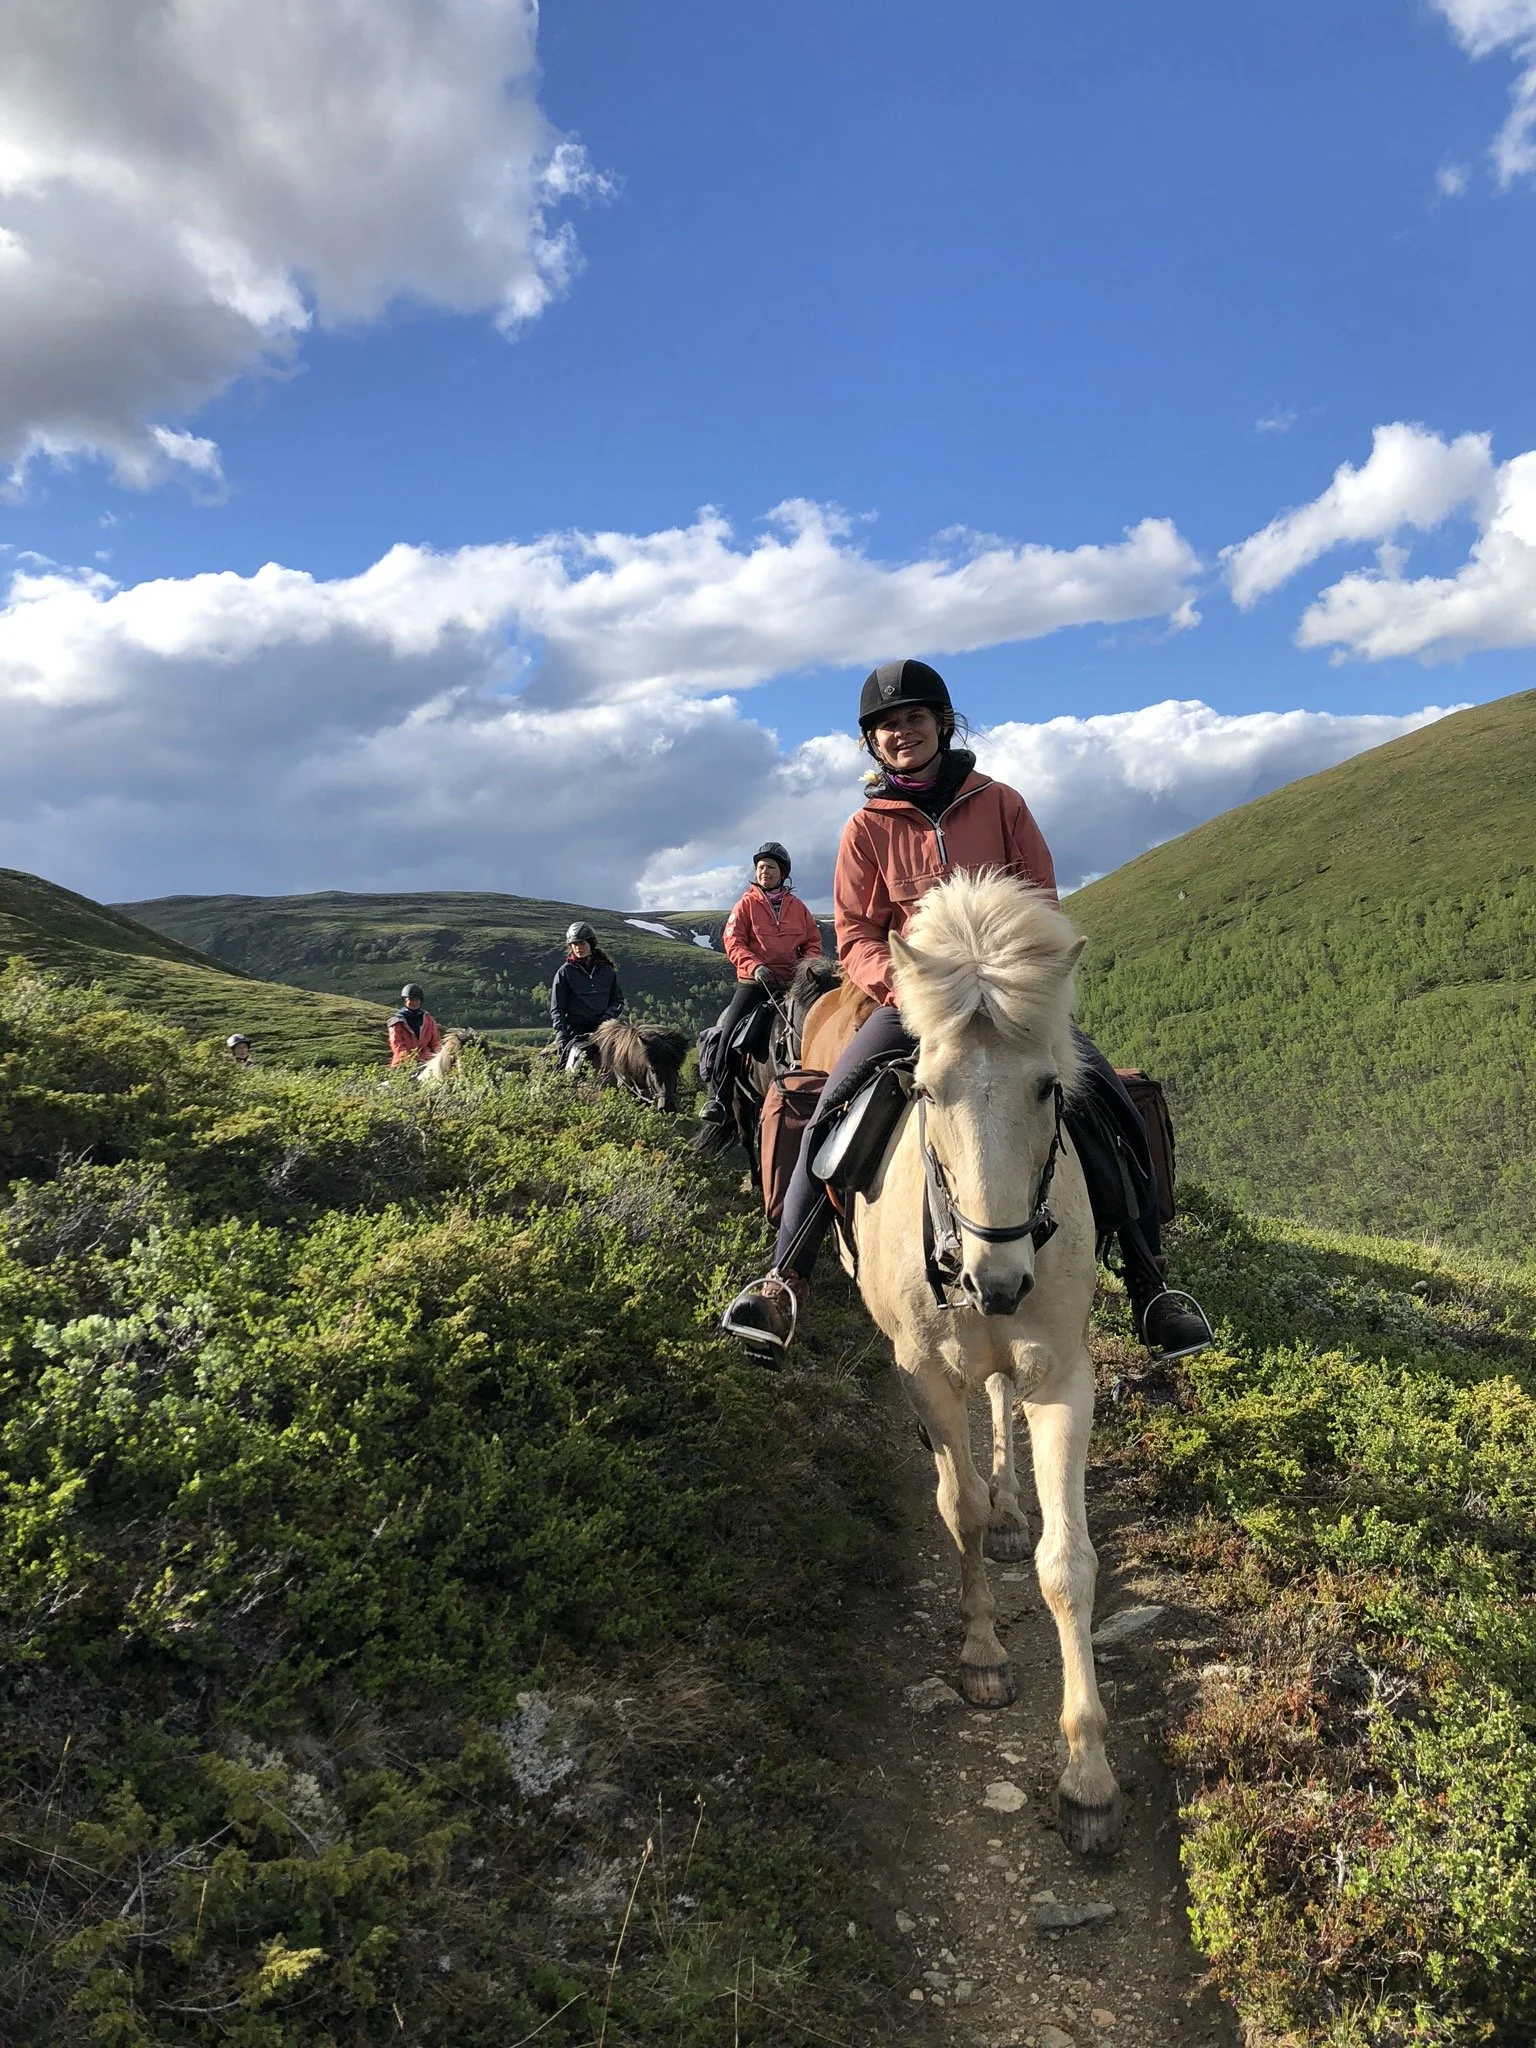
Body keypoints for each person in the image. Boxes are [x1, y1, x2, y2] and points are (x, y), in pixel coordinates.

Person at [721, 658, 1215, 1363]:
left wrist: (1018, 980)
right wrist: (907, 990)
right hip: (916, 1002)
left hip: (1010, 1001)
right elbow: (856, 935)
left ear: (943, 724)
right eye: (887, 725)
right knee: (828, 1110)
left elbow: (1042, 905)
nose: (902, 732)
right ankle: (784, 1281)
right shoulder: (865, 829)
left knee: (1113, 1107)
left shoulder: (1002, 804)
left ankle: (1149, 1285)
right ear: (872, 742)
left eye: (914, 718)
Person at [698, 842, 823, 1128]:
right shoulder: (746, 904)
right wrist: (754, 966)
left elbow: (813, 941)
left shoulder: (799, 908)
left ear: (783, 873)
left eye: (771, 867)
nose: (765, 871)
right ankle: (718, 1097)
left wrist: (806, 967)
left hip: (793, 983)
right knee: (729, 1032)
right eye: (761, 867)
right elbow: (733, 941)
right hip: (755, 983)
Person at [551, 921, 624, 1068]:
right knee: (573, 1069)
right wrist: (561, 1034)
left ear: (591, 943)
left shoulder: (607, 971)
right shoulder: (565, 972)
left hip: (605, 1029)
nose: (578, 948)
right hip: (577, 1031)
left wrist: (606, 1018)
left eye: (582, 943)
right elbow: (557, 1009)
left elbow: (618, 1001)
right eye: (574, 944)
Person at [388, 983, 443, 1068]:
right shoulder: (397, 1022)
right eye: (411, 999)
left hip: (426, 1060)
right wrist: (409, 1059)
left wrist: (440, 1055)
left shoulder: (428, 1019)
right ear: (405, 1000)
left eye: (417, 999)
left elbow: (436, 1042)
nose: (415, 1002)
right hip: (403, 1062)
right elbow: (397, 1044)